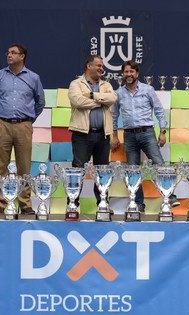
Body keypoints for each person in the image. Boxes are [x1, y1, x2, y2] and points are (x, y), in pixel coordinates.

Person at [111, 60, 179, 212]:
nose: (128, 74)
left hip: (147, 133)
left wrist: (162, 132)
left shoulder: (148, 90)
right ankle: (138, 203)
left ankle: (170, 196)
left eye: (131, 71)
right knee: (133, 170)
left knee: (159, 164)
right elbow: (114, 116)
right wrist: (114, 136)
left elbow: (159, 111)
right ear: (123, 74)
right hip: (129, 135)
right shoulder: (119, 93)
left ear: (137, 73)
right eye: (126, 72)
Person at [0, 43, 45, 216]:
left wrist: (29, 120)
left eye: (13, 53)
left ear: (22, 57)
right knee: (0, 166)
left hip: (23, 125)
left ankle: (25, 203)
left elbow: (40, 102)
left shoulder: (33, 77)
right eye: (8, 53)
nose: (9, 55)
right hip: (2, 124)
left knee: (24, 166)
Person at [68, 55, 117, 208]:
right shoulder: (76, 83)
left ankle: (102, 204)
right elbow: (77, 101)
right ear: (89, 66)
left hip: (103, 135)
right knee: (78, 170)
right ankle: (72, 204)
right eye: (99, 65)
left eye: (102, 66)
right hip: (82, 134)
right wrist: (100, 102)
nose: (102, 68)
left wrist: (92, 95)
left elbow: (113, 98)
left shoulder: (106, 85)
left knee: (103, 171)